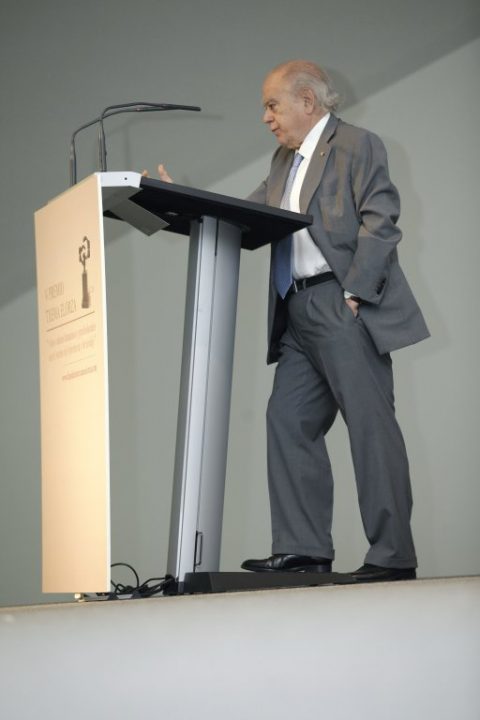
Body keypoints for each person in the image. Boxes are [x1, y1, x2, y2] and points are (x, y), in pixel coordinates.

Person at [239, 60, 430, 582]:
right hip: (295, 310)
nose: (266, 118)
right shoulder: (284, 160)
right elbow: (250, 214)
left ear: (307, 101)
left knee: (370, 428)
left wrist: (355, 294)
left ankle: (393, 557)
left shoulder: (356, 144)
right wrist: (180, 201)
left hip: (340, 302)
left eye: (272, 105)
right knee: (288, 421)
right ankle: (303, 550)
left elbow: (380, 222)